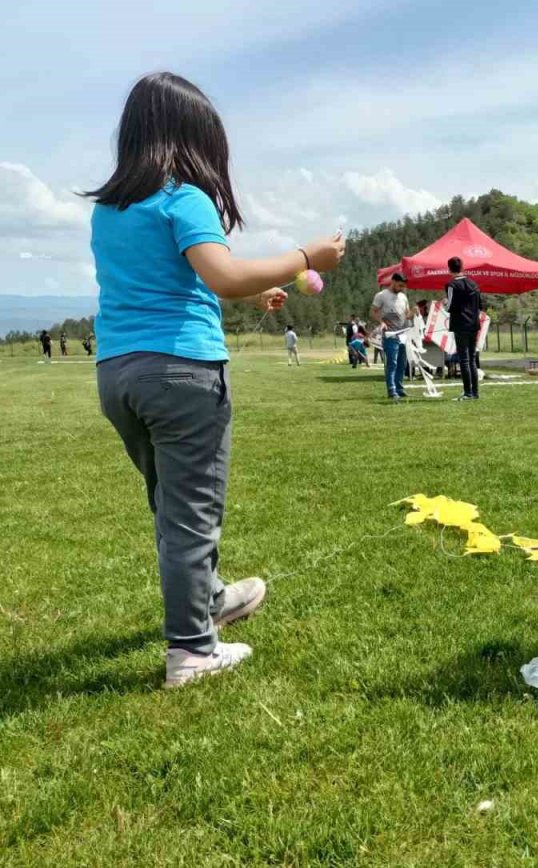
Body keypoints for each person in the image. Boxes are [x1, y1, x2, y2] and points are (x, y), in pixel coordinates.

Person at [86, 72, 345, 688]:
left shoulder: (111, 209)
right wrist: (309, 257)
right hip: (181, 375)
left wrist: (253, 294)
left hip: (118, 374)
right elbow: (223, 275)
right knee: (190, 516)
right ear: (196, 138)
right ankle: (192, 652)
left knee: (170, 505)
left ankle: (211, 599)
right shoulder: (184, 198)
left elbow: (178, 283)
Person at [445, 257, 483, 401]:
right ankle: (475, 392)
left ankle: (468, 392)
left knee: (464, 359)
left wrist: (445, 302)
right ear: (463, 267)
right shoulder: (474, 284)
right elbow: (480, 305)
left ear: (449, 269)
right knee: (472, 359)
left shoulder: (451, 285)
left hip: (460, 325)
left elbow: (449, 307)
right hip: (474, 325)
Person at [371, 272, 409, 400]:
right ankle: (391, 390)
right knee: (392, 362)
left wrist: (413, 313)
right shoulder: (381, 296)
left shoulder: (403, 297)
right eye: (399, 285)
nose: (401, 288)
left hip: (403, 334)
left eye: (403, 286)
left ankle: (399, 388)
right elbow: (373, 312)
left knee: (402, 363)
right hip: (390, 335)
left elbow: (407, 315)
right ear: (393, 281)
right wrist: (381, 322)